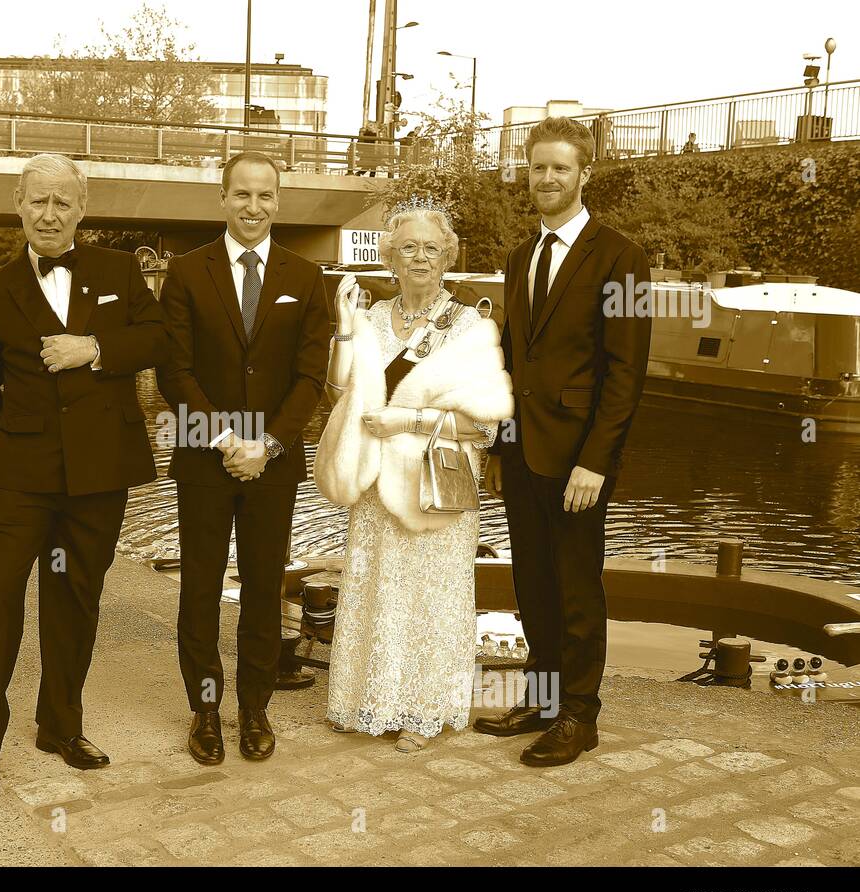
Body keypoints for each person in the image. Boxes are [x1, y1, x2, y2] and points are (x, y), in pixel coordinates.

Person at [0, 153, 169, 806]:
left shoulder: (116, 271)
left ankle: (60, 726)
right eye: (37, 201)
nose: (49, 214)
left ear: (81, 209)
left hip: (100, 473)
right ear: (19, 205)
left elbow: (160, 337)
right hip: (21, 474)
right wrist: (16, 452)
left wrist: (96, 350)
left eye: (62, 202)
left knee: (75, 599)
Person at [478, 117, 652, 766]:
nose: (546, 179)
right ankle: (544, 698)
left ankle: (580, 716)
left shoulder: (620, 257)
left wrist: (594, 463)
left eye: (559, 168)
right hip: (524, 452)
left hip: (578, 459)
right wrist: (501, 449)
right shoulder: (521, 256)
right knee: (533, 585)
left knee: (577, 589)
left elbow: (626, 375)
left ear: (585, 174)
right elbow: (514, 362)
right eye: (537, 167)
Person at [315, 201, 512, 751]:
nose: (420, 257)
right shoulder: (374, 320)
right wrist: (344, 328)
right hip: (379, 481)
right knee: (377, 584)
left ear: (448, 257)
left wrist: (408, 419)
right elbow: (337, 394)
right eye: (408, 247)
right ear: (389, 258)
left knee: (429, 592)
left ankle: (423, 710)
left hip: (437, 481)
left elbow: (483, 427)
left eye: (432, 248)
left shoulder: (470, 325)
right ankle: (366, 698)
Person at [155, 151, 331, 766]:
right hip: (207, 458)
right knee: (199, 588)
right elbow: (173, 373)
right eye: (242, 195)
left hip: (274, 461)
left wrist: (269, 444)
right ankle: (205, 710)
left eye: (265, 196)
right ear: (222, 199)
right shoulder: (183, 273)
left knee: (263, 587)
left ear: (277, 202)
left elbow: (311, 378)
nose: (253, 207)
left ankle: (254, 707)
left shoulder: (307, 279)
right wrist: (228, 440)